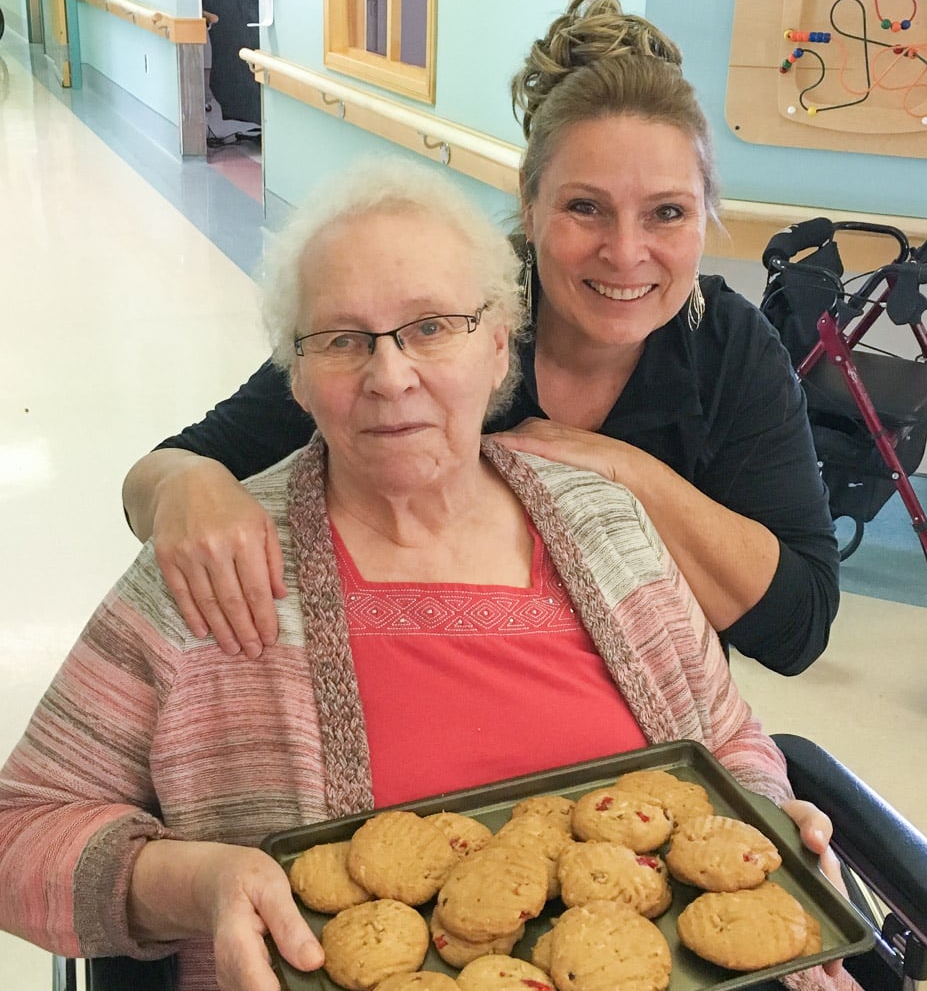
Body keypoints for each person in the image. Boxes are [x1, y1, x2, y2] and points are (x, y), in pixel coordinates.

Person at [0, 159, 850, 991]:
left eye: (432, 327)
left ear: (496, 344)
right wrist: (201, 883)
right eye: (340, 340)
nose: (390, 375)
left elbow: (726, 740)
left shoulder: (602, 522)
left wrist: (761, 822)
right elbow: (19, 835)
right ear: (295, 378)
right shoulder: (211, 567)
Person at [121, 0, 838, 674]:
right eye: (585, 208)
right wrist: (189, 486)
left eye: (668, 213)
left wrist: (624, 475)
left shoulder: (730, 352)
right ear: (528, 208)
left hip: (647, 722)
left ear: (706, 214)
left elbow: (798, 627)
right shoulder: (435, 325)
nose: (625, 253)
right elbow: (163, 473)